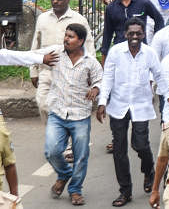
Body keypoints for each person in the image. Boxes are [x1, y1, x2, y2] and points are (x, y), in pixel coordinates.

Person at [99, 19, 169, 206]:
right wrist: (102, 102)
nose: (134, 37)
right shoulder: (116, 52)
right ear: (125, 34)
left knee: (140, 145)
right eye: (131, 33)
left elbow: (159, 76)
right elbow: (107, 77)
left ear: (143, 35)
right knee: (119, 150)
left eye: (138, 33)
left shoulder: (149, 53)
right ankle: (125, 191)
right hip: (118, 106)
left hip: (141, 106)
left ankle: (149, 171)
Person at [44, 22, 102, 206]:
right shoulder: (55, 55)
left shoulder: (90, 62)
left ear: (81, 41)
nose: (66, 39)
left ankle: (75, 189)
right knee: (51, 151)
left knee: (81, 155)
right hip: (58, 113)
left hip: (80, 115)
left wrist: (95, 89)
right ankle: (64, 174)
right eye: (66, 35)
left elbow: (101, 80)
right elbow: (33, 56)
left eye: (71, 37)